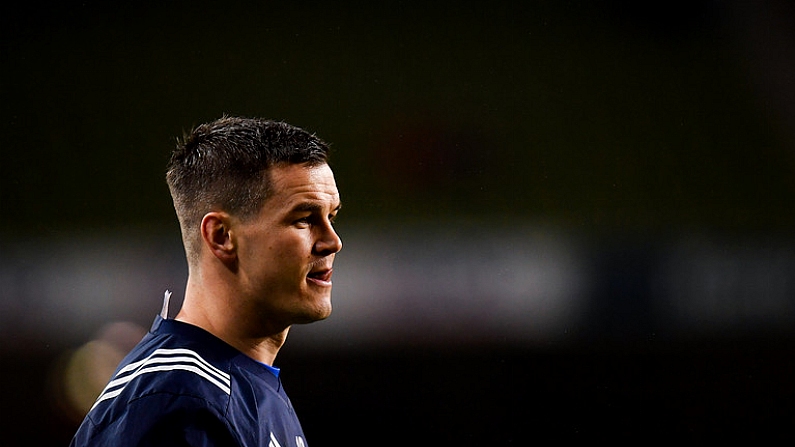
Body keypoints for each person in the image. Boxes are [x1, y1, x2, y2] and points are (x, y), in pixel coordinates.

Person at [70, 116, 343, 447]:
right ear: (222, 236)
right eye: (304, 219)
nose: (332, 241)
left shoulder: (237, 383)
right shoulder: (178, 401)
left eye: (331, 217)